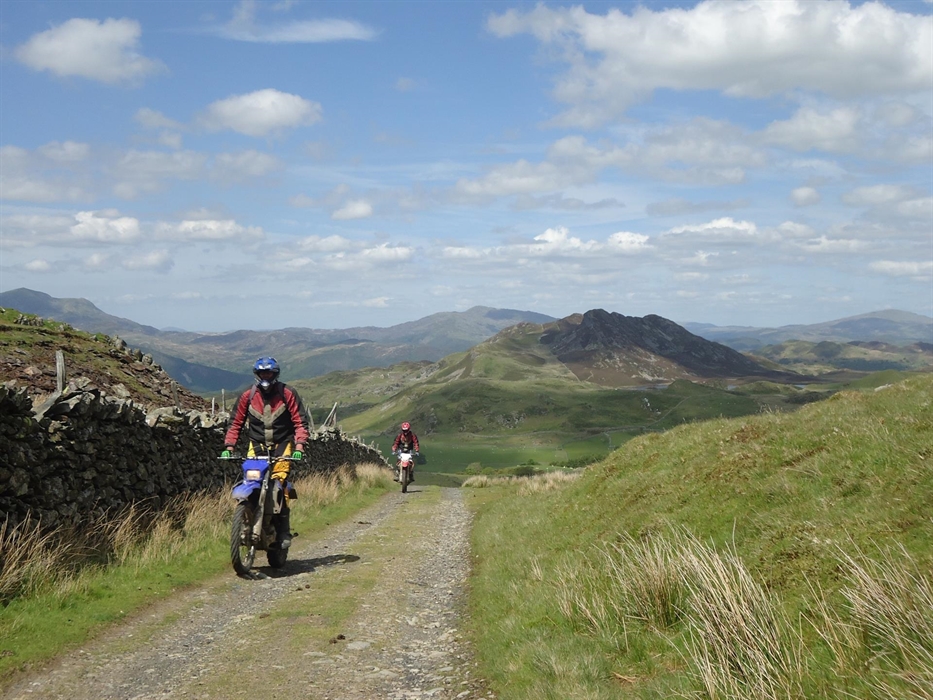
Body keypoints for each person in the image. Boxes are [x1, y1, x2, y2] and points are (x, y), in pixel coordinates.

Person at [221, 357, 310, 548]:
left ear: (275, 374)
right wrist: (229, 447)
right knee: (251, 479)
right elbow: (235, 422)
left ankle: (283, 531)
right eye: (262, 373)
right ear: (257, 374)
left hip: (282, 444)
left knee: (279, 483)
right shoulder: (248, 395)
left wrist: (299, 447)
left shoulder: (287, 393)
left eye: (269, 373)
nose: (265, 377)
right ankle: (249, 517)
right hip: (257, 444)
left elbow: (300, 422)